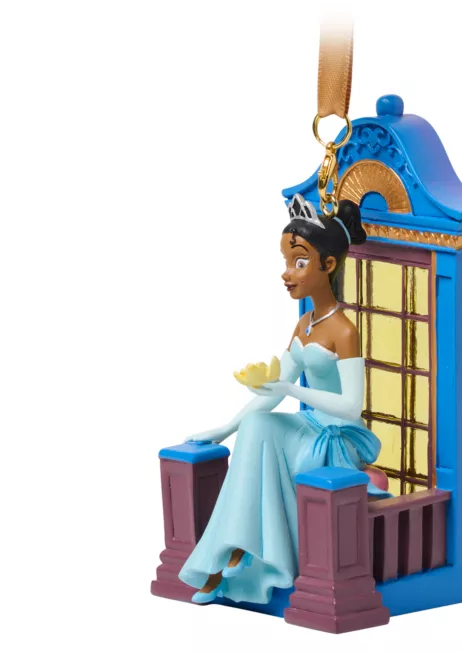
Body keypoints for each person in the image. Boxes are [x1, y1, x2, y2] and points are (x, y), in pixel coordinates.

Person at [179, 194, 389, 605]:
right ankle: (235, 547)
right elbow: (275, 388)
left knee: (270, 441)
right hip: (310, 424)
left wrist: (292, 392)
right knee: (256, 425)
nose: (287, 273)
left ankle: (240, 551)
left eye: (300, 262)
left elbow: (351, 405)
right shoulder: (304, 324)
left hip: (340, 435)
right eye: (286, 261)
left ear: (328, 265)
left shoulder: (344, 331)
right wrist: (226, 428)